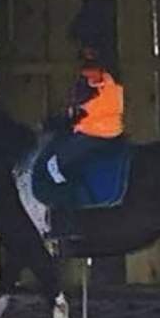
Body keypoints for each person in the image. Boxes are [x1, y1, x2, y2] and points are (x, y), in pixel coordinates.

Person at [37, 33, 131, 208]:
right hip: (105, 130)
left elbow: (90, 74)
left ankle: (72, 206)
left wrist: (73, 66)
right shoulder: (111, 80)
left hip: (94, 132)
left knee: (50, 166)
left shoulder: (102, 76)